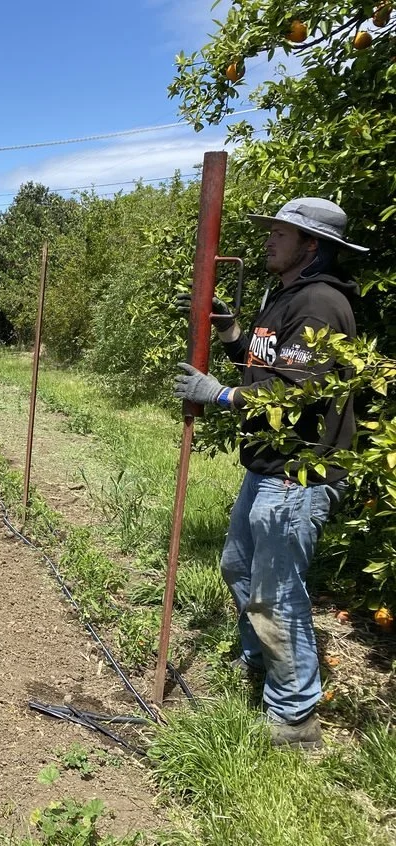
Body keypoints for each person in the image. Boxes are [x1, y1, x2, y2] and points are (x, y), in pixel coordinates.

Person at [173, 197, 366, 749]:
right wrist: (232, 333)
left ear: (312, 246)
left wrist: (220, 395)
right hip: (269, 465)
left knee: (276, 592)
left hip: (300, 473)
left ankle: (294, 719)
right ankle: (261, 662)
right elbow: (263, 370)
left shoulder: (320, 303)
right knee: (238, 567)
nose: (268, 240)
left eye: (281, 233)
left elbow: (296, 392)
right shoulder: (283, 297)